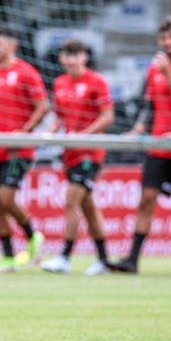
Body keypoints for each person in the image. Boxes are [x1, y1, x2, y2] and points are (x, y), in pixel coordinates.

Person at [108, 17, 171, 274]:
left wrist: (169, 75)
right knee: (146, 200)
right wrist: (138, 129)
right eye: (164, 38)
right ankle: (132, 260)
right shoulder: (154, 70)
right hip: (159, 145)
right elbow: (150, 106)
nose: (169, 42)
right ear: (159, 41)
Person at [40, 39, 114, 276]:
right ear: (61, 58)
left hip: (90, 154)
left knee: (72, 201)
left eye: (76, 54)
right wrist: (47, 134)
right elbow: (59, 118)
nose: (71, 60)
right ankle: (103, 260)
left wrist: (85, 135)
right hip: (69, 153)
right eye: (67, 55)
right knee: (88, 207)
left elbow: (107, 116)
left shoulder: (97, 81)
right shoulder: (60, 83)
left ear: (85, 57)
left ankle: (65, 257)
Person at [0, 30, 48, 275]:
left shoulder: (26, 72)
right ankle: (8, 258)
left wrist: (24, 132)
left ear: (13, 45)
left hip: (19, 149)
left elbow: (42, 106)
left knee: (6, 199)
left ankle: (33, 235)